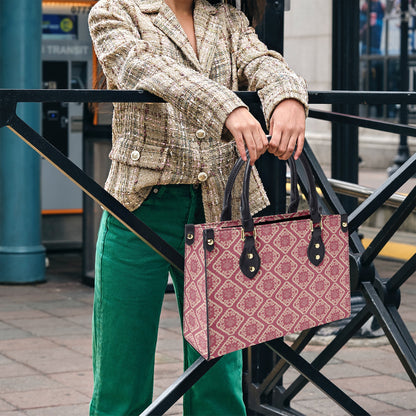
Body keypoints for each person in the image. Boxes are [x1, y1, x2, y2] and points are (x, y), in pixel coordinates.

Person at [87, 0, 308, 414]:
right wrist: (230, 107)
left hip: (219, 210)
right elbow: (146, 68)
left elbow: (262, 61)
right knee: (121, 375)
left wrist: (288, 97)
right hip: (140, 209)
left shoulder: (225, 17)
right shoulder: (115, 11)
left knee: (219, 381)